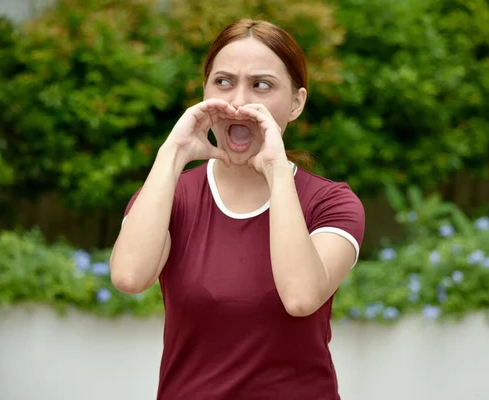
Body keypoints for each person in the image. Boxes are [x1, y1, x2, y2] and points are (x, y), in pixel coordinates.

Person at [110, 18, 365, 400]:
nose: (239, 102)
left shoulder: (330, 203)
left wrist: (278, 172)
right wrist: (173, 152)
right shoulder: (169, 196)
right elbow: (129, 277)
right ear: (205, 92)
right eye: (224, 82)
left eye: (261, 85)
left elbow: (300, 297)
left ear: (296, 103)